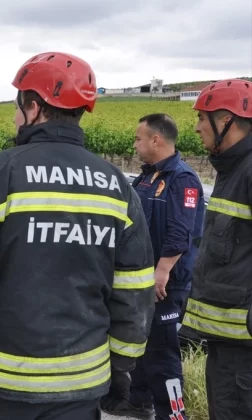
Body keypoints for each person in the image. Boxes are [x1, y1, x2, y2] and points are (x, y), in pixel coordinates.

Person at [0, 51, 156, 420]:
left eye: (18, 106)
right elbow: (135, 288)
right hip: (80, 388)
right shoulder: (117, 186)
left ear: (33, 107)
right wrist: (124, 362)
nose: (15, 117)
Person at [101, 113, 205, 419]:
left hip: (166, 283)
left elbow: (180, 232)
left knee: (162, 353)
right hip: (143, 280)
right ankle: (138, 400)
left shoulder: (181, 179)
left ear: (155, 140)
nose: (134, 144)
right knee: (141, 345)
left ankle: (173, 413)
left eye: (138, 138)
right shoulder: (146, 178)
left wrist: (162, 272)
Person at [179, 79, 252, 420]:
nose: (195, 128)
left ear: (226, 121)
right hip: (228, 345)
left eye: (202, 118)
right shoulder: (232, 169)